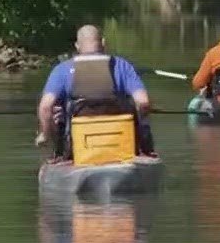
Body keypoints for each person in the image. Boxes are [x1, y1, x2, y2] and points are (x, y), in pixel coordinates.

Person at [35, 25, 154, 159]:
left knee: (58, 115)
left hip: (77, 148)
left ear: (77, 46)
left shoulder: (61, 70)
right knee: (140, 119)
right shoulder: (122, 66)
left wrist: (44, 134)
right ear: (103, 43)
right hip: (122, 143)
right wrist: (141, 119)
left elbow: (45, 107)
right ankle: (145, 152)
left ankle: (61, 155)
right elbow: (143, 102)